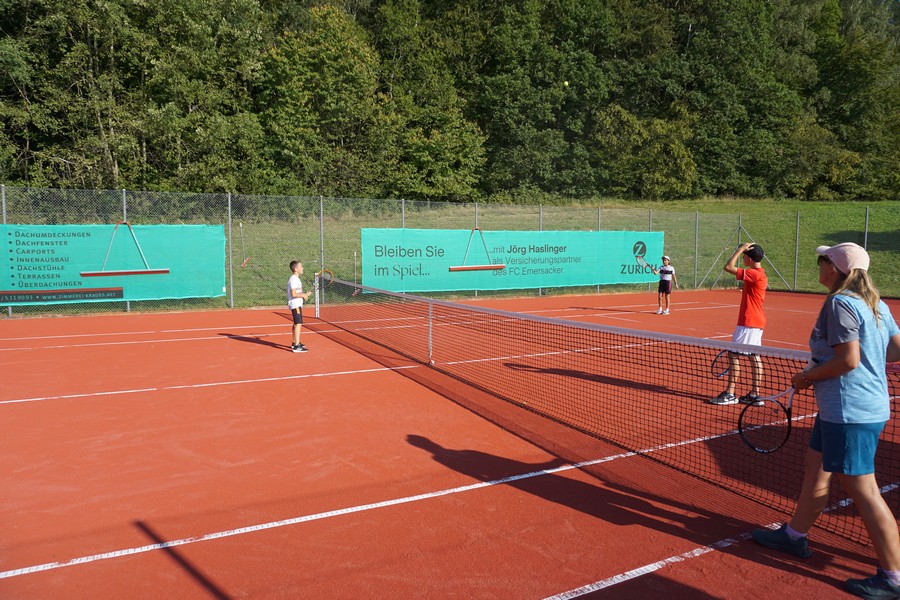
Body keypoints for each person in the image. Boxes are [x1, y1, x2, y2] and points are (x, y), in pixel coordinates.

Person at [751, 242, 900, 599]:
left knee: (864, 490)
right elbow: (895, 350)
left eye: (822, 261)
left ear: (834, 268)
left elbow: (848, 360)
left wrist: (808, 376)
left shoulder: (840, 303)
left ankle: (893, 577)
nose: (818, 266)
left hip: (849, 411)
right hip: (846, 408)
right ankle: (794, 536)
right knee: (815, 469)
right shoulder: (875, 303)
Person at [710, 242, 767, 405]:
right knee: (754, 356)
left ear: (749, 259)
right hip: (756, 321)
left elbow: (728, 267)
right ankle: (754, 395)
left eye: (744, 256)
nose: (743, 258)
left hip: (749, 321)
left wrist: (740, 249)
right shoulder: (760, 273)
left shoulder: (755, 274)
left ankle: (730, 393)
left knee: (733, 354)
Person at [287, 260, 312, 353]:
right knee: (298, 323)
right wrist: (303, 295)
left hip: (297, 303)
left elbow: (297, 292)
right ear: (295, 269)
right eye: (300, 266)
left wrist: (305, 294)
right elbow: (293, 294)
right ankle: (296, 346)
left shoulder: (296, 279)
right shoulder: (293, 279)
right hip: (295, 304)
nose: (302, 268)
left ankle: (294, 342)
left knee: (296, 323)